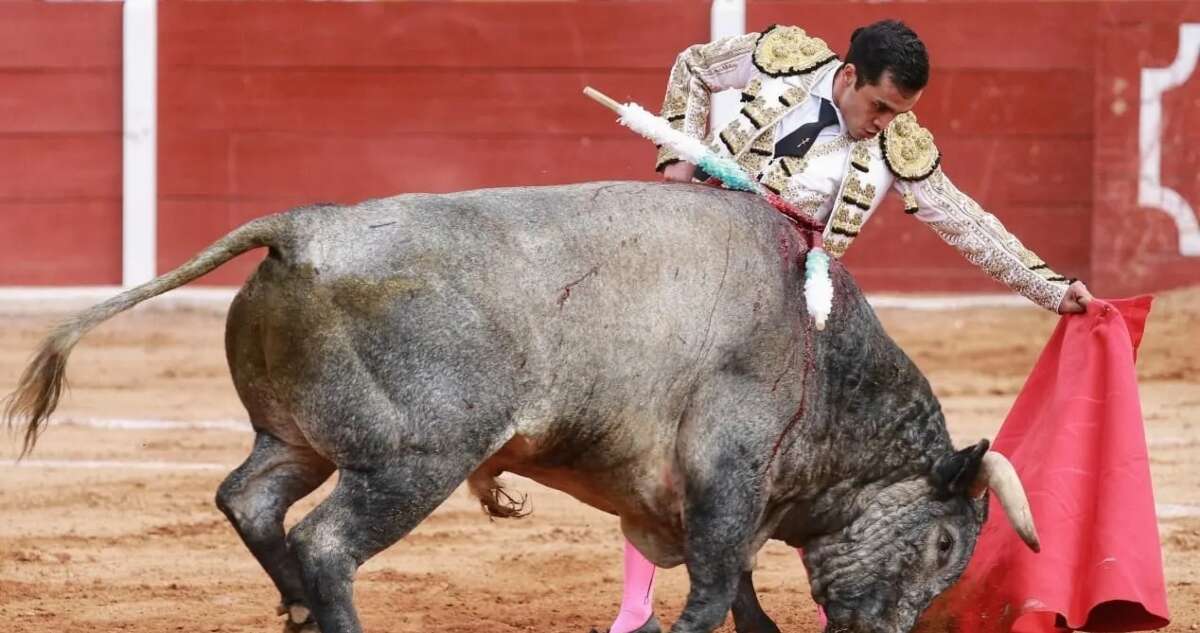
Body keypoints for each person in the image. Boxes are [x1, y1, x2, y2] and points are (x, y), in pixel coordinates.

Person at [604, 19, 1094, 633]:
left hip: (786, 312)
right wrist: (677, 162)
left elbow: (967, 222)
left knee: (823, 455)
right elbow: (694, 66)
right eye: (880, 106)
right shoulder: (783, 59)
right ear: (848, 76)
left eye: (899, 113)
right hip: (697, 281)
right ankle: (633, 612)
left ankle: (837, 605)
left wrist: (1049, 287)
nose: (884, 123)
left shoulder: (898, 148)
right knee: (659, 437)